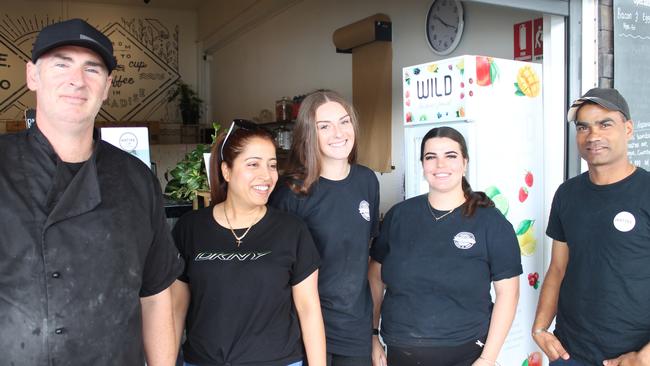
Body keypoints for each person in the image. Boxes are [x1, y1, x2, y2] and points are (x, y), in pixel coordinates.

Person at [0, 18, 183, 365]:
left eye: (92, 69)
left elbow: (156, 296)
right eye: (61, 64)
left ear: (108, 85)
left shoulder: (137, 179)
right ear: (32, 76)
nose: (77, 80)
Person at [170, 119, 326, 366]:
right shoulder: (190, 228)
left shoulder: (292, 230)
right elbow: (175, 307)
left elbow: (309, 309)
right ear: (226, 171)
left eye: (272, 165)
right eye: (253, 164)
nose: (266, 175)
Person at [368, 126, 521, 366]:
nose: (440, 165)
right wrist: (373, 335)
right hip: (398, 353)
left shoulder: (491, 223)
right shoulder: (399, 216)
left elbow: (508, 294)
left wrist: (487, 359)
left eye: (450, 156)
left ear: (465, 162)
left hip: (467, 354)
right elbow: (375, 277)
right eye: (431, 157)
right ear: (422, 164)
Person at [532, 88, 650, 366]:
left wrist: (645, 356)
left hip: (632, 357)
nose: (593, 136)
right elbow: (558, 269)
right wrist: (540, 328)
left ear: (628, 129)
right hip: (569, 354)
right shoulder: (567, 194)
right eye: (583, 127)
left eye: (605, 124)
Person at [269, 90, 380, 366]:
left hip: (355, 328)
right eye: (324, 126)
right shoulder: (291, 193)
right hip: (304, 329)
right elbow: (276, 272)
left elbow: (365, 256)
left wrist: (373, 332)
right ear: (309, 133)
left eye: (344, 122)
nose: (338, 133)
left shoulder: (367, 181)